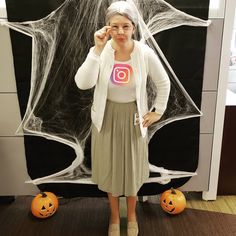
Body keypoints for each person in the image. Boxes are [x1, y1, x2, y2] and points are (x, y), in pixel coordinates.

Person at [75, 1, 170, 235]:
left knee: (131, 170)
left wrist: (157, 111)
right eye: (114, 26)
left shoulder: (144, 53)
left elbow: (163, 83)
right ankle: (115, 218)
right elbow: (83, 83)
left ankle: (132, 217)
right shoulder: (101, 52)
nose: (120, 32)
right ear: (107, 27)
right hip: (106, 118)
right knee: (111, 169)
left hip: (134, 119)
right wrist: (96, 50)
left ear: (133, 28)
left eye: (125, 26)